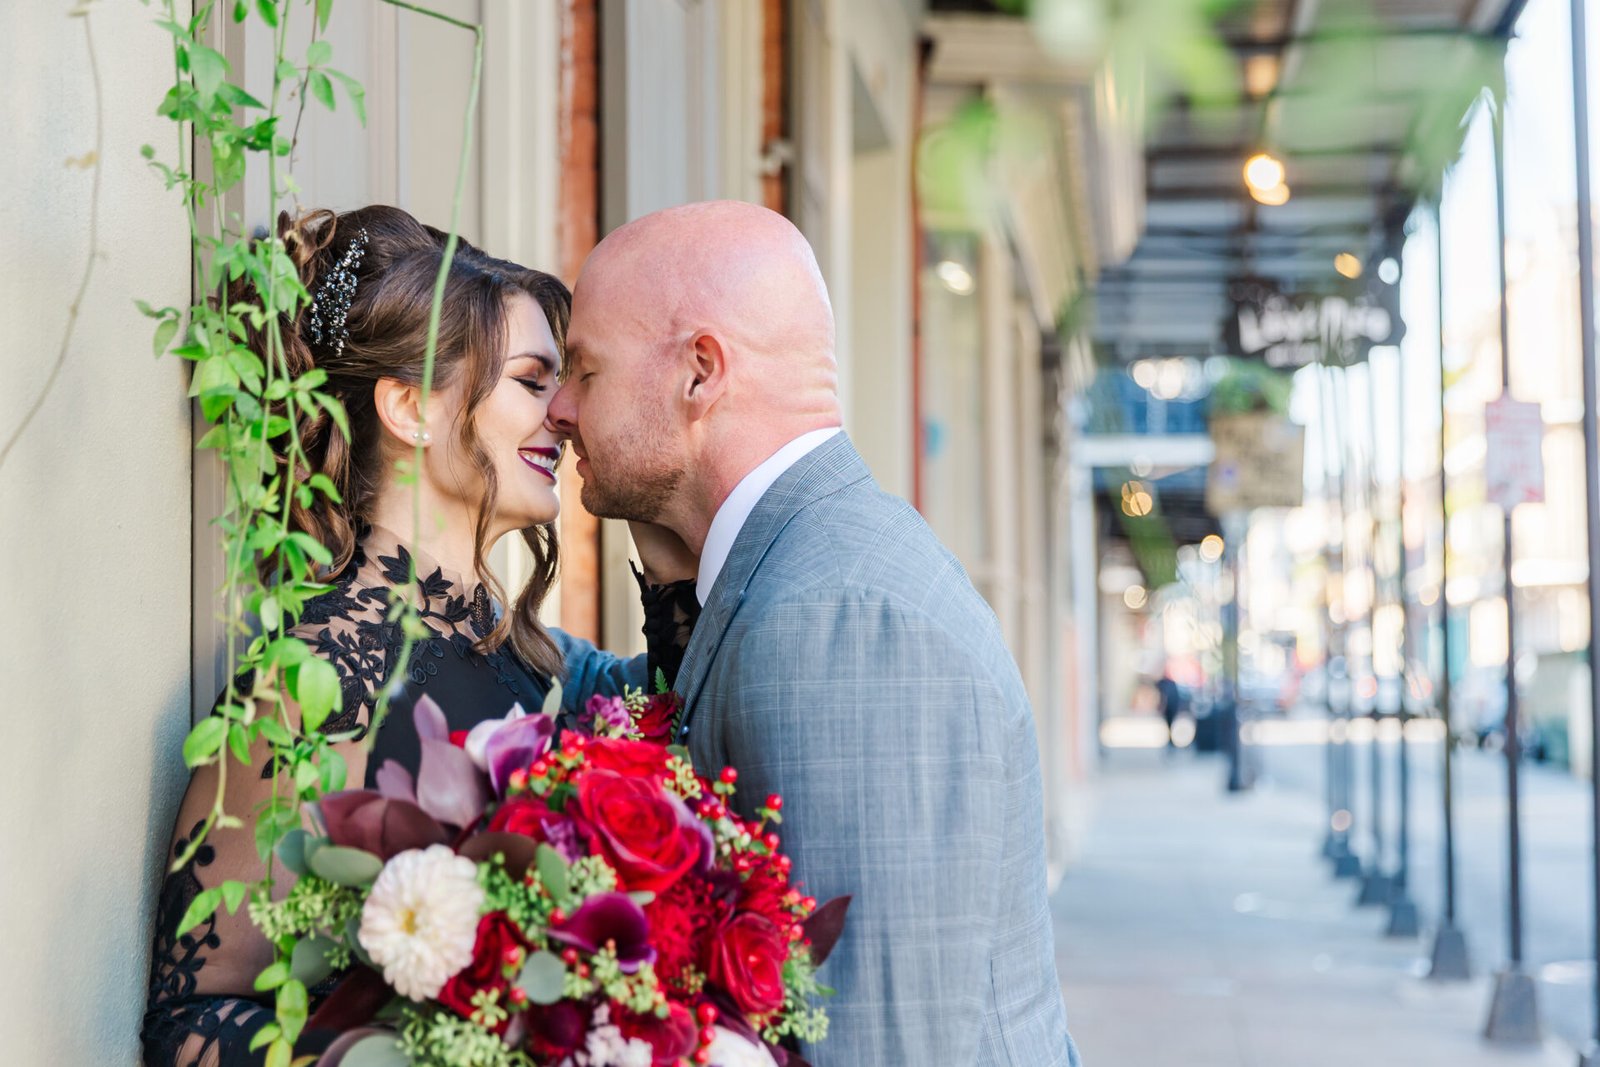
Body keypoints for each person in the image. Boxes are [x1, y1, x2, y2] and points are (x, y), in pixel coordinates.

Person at [142, 205, 700, 1067]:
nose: (561, 413)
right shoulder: (315, 678)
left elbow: (682, 710)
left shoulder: (536, 661)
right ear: (409, 407)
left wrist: (660, 511)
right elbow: (193, 1012)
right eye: (530, 379)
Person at [545, 200, 1081, 1067]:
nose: (560, 407)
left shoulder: (836, 619)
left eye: (585, 369)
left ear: (699, 373)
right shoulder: (801, 568)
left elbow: (867, 1041)